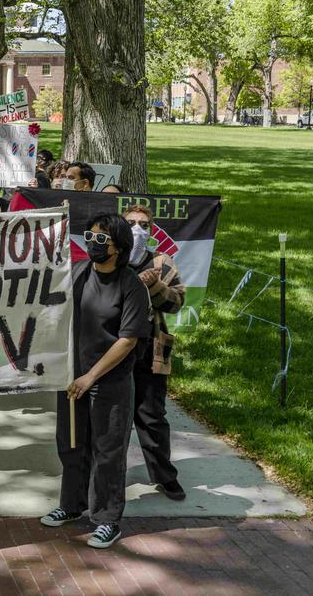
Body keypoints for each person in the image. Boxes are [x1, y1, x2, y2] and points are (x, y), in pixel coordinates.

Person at [41, 213, 152, 550]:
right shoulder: (76, 274)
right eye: (89, 236)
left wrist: (91, 376)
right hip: (72, 379)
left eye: (101, 239)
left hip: (108, 384)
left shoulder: (131, 286)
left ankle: (107, 520)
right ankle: (72, 505)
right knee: (71, 445)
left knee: (107, 452)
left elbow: (127, 340)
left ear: (118, 247)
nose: (92, 243)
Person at [124, 205, 187, 500]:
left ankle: (164, 475)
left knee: (152, 416)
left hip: (150, 350)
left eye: (144, 224)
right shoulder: (111, 257)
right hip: (113, 351)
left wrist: (156, 285)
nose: (138, 229)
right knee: (113, 418)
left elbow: (176, 303)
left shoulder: (161, 261)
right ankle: (107, 474)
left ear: (152, 230)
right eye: (132, 223)